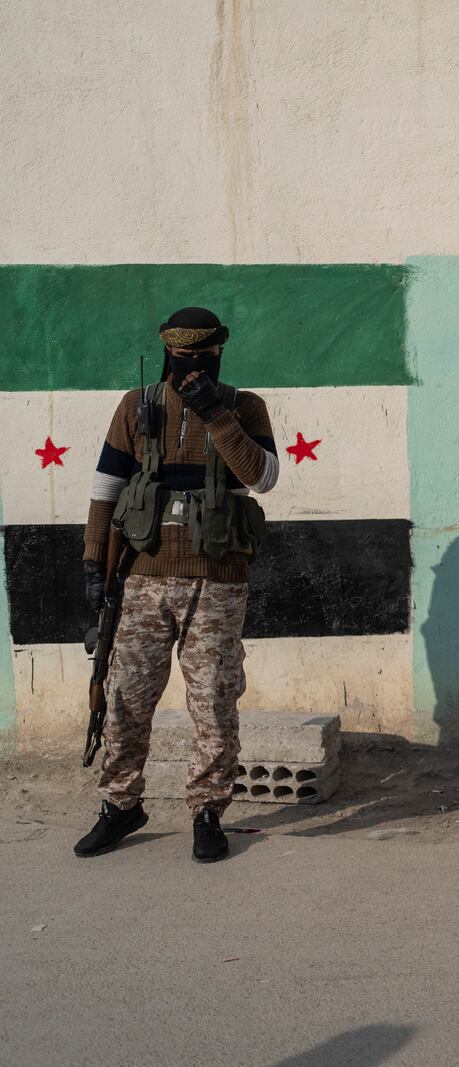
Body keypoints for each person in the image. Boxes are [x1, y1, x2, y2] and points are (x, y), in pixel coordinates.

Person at [74, 307, 278, 864]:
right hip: (141, 574)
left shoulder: (243, 405)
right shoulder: (136, 406)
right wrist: (95, 560)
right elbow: (107, 486)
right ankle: (121, 805)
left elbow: (261, 476)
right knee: (124, 696)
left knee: (213, 698)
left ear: (218, 353)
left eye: (204, 357)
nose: (193, 366)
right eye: (184, 358)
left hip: (217, 578)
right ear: (167, 353)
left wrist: (215, 414)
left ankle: (208, 811)